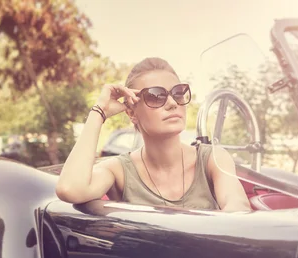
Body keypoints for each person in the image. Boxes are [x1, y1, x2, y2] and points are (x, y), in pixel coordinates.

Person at [56, 57, 251, 212]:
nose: (173, 103)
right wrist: (99, 112)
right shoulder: (119, 170)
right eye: (156, 96)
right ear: (132, 112)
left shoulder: (213, 159)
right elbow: (70, 189)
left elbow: (238, 208)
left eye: (178, 92)